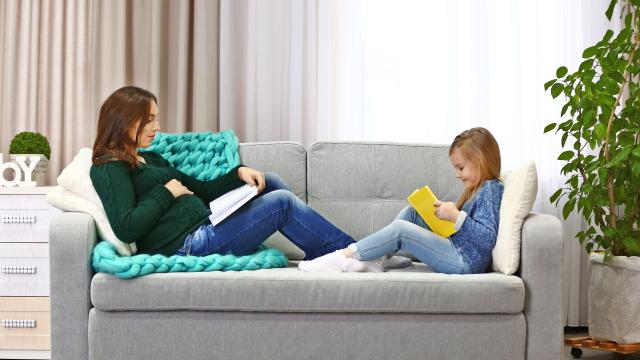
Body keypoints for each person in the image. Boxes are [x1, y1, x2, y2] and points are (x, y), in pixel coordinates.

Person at [90, 86, 356, 260]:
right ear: (123, 120)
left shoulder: (151, 158)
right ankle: (351, 253)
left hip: (207, 222)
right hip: (188, 245)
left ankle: (331, 251)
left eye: (156, 118)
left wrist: (238, 173)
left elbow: (201, 190)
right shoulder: (109, 167)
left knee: (270, 181)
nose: (157, 126)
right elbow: (126, 227)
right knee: (281, 204)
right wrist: (166, 192)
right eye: (149, 119)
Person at [298, 127, 504, 274]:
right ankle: (378, 259)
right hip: (456, 248)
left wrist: (457, 217)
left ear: (481, 161)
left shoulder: (491, 190)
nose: (457, 174)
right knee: (412, 213)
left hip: (463, 261)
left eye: (461, 167)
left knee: (401, 230)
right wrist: (447, 216)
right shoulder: (477, 190)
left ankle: (345, 256)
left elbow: (488, 238)